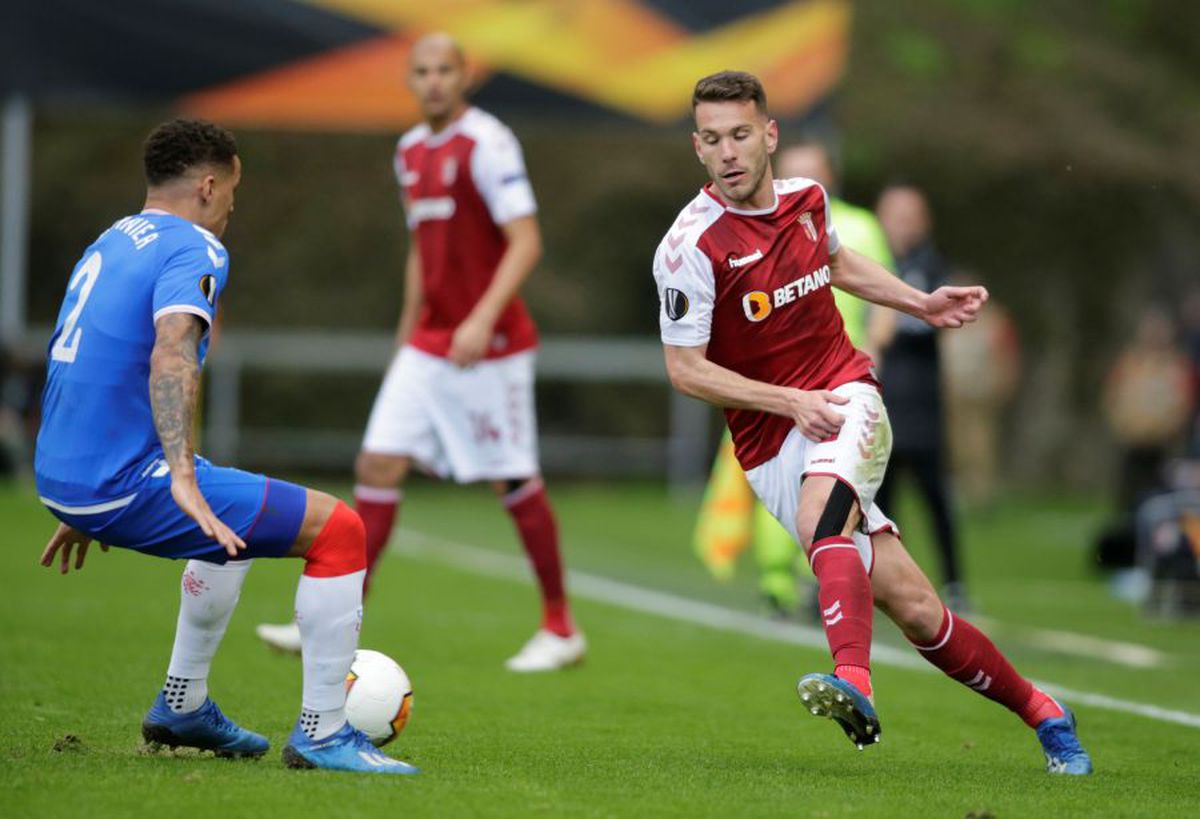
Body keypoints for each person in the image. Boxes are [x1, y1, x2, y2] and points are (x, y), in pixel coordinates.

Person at [652, 70, 1091, 774]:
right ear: (697, 148)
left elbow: (838, 261)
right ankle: (1046, 710)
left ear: (770, 135)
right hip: (771, 441)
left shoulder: (808, 200)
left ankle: (853, 681)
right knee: (918, 609)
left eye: (740, 134)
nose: (728, 151)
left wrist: (920, 304)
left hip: (846, 392)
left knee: (820, 521)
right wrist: (786, 401)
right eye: (711, 139)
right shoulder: (689, 249)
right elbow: (686, 369)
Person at [33, 120, 416, 774]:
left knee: (229, 532)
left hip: (66, 473)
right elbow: (173, 347)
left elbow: (82, 358)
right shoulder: (196, 246)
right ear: (208, 186)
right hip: (124, 477)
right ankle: (324, 732)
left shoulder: (113, 239)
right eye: (233, 191)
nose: (234, 206)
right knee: (341, 530)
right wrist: (178, 473)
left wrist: (79, 488)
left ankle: (183, 702)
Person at [254, 33, 584, 672]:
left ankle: (560, 626)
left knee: (512, 476)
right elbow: (421, 251)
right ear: (410, 80)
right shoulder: (409, 151)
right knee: (376, 464)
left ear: (464, 77)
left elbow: (526, 241)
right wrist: (406, 336)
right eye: (422, 72)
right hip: (430, 343)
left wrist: (480, 317)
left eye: (445, 71)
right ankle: (334, 618)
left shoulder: (488, 142)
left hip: (491, 344)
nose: (433, 81)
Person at [692, 141, 895, 616]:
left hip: (837, 374)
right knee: (768, 480)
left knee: (829, 485)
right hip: (772, 382)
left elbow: (875, 282)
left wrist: (878, 347)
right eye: (795, 170)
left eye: (812, 171)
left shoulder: (859, 225)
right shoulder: (744, 229)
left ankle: (819, 585)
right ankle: (777, 580)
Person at [872, 183, 967, 609]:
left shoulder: (933, 270)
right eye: (894, 215)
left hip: (922, 406)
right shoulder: (867, 261)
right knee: (876, 506)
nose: (901, 225)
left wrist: (897, 314)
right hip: (877, 402)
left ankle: (954, 583)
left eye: (910, 216)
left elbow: (929, 323)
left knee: (936, 499)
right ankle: (880, 587)